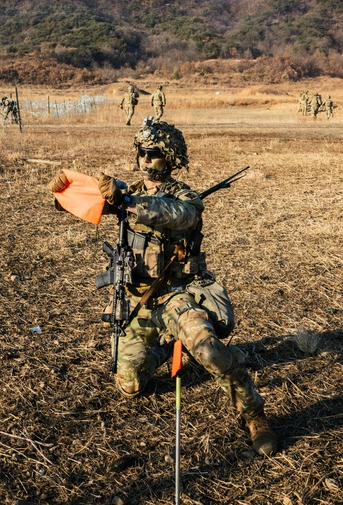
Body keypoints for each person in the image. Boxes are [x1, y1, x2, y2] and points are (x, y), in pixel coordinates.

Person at [47, 120, 278, 457]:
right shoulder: (129, 189)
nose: (144, 159)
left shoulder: (184, 196)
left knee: (212, 354)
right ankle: (171, 349)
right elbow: (93, 203)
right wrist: (62, 193)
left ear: (169, 158)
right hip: (138, 300)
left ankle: (255, 417)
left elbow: (177, 216)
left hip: (177, 294)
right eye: (141, 152)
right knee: (130, 385)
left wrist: (127, 199)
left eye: (152, 154)